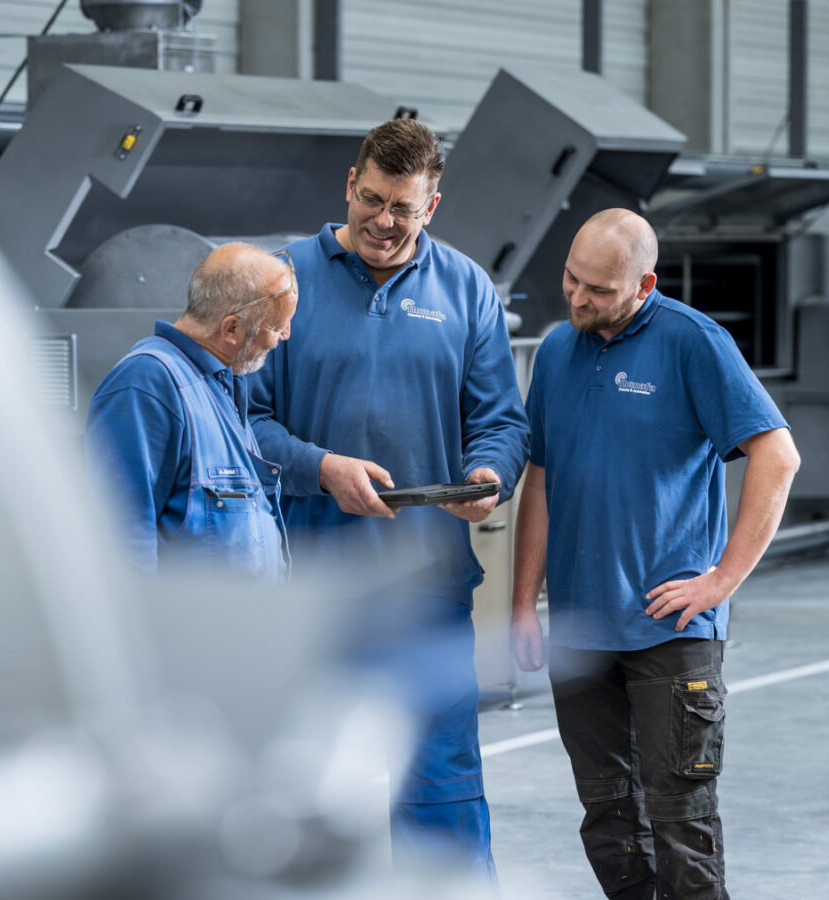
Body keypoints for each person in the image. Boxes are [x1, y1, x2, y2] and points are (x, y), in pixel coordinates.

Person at [248, 118, 528, 881]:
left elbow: (502, 419)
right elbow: (243, 421)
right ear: (350, 184)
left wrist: (487, 476)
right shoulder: (285, 280)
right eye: (372, 199)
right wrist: (321, 467)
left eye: (403, 208)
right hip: (308, 588)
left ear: (431, 206)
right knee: (292, 796)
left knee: (439, 788)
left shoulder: (467, 289)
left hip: (425, 587)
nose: (383, 220)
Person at [510, 208, 801, 900]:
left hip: (669, 630)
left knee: (681, 827)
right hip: (581, 629)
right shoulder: (556, 350)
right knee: (609, 824)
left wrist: (722, 578)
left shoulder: (692, 342)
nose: (578, 299)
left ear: (644, 283)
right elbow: (542, 480)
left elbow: (777, 456)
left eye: (599, 290)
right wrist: (523, 602)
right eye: (571, 280)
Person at [86, 242, 298, 580]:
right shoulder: (146, 385)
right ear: (231, 329)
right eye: (277, 326)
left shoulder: (221, 386)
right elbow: (119, 542)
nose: (283, 337)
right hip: (186, 631)